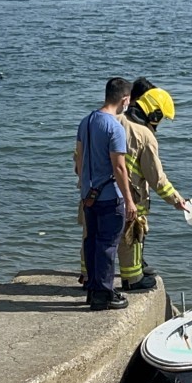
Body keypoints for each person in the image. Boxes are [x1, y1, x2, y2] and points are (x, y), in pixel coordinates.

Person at [114, 77, 188, 291]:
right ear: (154, 114)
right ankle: (133, 279)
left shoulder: (114, 120)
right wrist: (176, 200)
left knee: (99, 237)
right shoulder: (145, 135)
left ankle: (89, 275)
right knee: (133, 237)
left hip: (104, 191)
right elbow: (156, 177)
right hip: (131, 196)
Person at [75, 78, 137, 311]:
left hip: (88, 194)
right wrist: (129, 200)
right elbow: (119, 167)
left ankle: (93, 289)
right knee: (107, 244)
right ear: (125, 99)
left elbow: (79, 159)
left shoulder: (86, 121)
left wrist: (83, 186)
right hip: (109, 195)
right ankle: (104, 293)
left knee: (91, 240)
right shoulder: (115, 127)